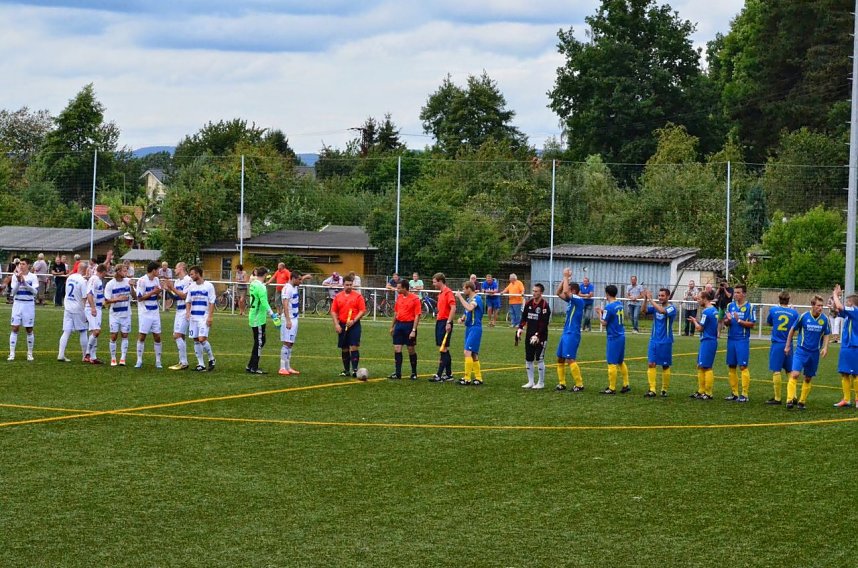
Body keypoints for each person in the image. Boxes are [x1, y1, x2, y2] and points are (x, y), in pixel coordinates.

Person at [784, 295, 830, 410]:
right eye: (818, 305)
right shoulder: (804, 316)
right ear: (813, 306)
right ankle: (789, 400)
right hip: (801, 351)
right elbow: (792, 330)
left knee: (808, 378)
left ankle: (802, 402)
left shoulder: (824, 319)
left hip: (814, 353)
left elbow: (827, 334)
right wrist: (788, 345)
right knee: (795, 374)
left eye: (822, 306)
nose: (820, 308)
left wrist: (825, 347)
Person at [765, 291, 798, 405]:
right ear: (789, 300)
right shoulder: (794, 313)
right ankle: (793, 396)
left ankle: (777, 398)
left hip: (777, 344)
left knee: (776, 370)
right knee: (789, 371)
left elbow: (769, 322)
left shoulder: (773, 310)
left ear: (779, 299)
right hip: (789, 344)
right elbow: (796, 327)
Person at [723, 284, 755, 402]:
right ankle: (734, 393)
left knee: (743, 366)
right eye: (735, 292)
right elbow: (726, 322)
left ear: (744, 294)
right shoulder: (730, 305)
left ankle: (744, 394)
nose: (735, 294)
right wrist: (728, 320)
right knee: (731, 366)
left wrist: (739, 320)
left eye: (738, 292)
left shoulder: (749, 307)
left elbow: (752, 324)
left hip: (742, 339)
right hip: (731, 338)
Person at [330, 274, 366, 378]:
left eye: (350, 285)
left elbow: (362, 311)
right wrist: (336, 324)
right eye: (347, 285)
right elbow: (333, 311)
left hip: (354, 325)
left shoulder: (358, 296)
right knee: (344, 348)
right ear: (343, 285)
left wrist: (354, 320)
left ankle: (355, 370)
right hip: (342, 324)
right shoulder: (338, 297)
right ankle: (346, 370)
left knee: (354, 347)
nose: (349, 286)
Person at [595, 284, 629, 395]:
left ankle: (612, 388)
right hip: (621, 335)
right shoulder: (619, 304)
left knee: (611, 362)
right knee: (620, 361)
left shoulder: (609, 307)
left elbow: (604, 323)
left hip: (613, 337)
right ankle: (626, 384)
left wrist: (599, 313)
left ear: (607, 294)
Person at [555, 268, 585, 392]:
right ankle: (562, 383)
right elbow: (558, 292)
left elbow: (565, 291)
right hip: (566, 332)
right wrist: (564, 279)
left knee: (570, 358)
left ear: (574, 291)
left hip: (572, 333)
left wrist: (566, 276)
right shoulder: (571, 301)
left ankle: (579, 384)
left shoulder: (578, 300)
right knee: (560, 358)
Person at [643, 288, 677, 397]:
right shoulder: (655, 307)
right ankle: (652, 389)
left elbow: (663, 311)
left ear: (667, 297)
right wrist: (645, 299)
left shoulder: (672, 308)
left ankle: (664, 389)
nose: (660, 298)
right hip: (653, 340)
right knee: (651, 364)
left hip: (665, 341)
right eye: (659, 295)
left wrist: (650, 300)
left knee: (665, 366)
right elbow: (643, 311)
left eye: (662, 296)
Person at [518, 283, 551, 389]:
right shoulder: (528, 304)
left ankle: (541, 383)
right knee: (528, 358)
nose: (534, 293)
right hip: (529, 335)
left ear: (541, 292)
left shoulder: (545, 306)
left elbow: (544, 323)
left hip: (541, 336)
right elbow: (523, 318)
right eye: (533, 291)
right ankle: (530, 382)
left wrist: (537, 335)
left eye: (536, 291)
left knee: (539, 358)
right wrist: (520, 328)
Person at [247, 267, 280, 374]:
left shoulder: (253, 283)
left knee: (259, 341)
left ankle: (250, 365)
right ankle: (254, 367)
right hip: (258, 318)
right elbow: (264, 302)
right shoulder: (261, 287)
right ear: (265, 275)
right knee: (260, 342)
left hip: (253, 316)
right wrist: (273, 315)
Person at [830, 284, 858, 408]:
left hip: (854, 346)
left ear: (852, 303)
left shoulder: (855, 311)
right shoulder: (849, 314)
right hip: (846, 346)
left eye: (847, 301)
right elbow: (837, 311)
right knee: (844, 372)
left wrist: (836, 295)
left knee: (856, 373)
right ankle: (846, 399)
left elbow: (840, 307)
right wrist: (833, 303)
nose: (846, 303)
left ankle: (857, 399)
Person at [688, 289, 718, 400]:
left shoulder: (706, 311)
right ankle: (701, 391)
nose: (698, 300)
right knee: (700, 366)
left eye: (699, 298)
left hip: (708, 341)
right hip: (708, 340)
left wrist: (694, 321)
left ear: (705, 299)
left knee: (707, 367)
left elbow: (700, 328)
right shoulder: (714, 310)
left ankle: (708, 393)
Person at [186, 266, 217, 372]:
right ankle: (201, 364)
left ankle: (211, 358)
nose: (191, 276)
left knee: (202, 339)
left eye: (192, 274)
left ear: (198, 274)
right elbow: (188, 301)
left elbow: (212, 302)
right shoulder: (191, 287)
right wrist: (187, 312)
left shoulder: (209, 286)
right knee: (195, 339)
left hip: (204, 317)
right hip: (193, 317)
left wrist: (210, 316)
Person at [57, 261, 89, 362]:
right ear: (85, 270)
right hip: (78, 308)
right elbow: (84, 298)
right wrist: (86, 313)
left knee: (66, 331)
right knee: (83, 330)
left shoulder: (70, 277)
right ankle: (85, 356)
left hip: (68, 307)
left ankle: (60, 354)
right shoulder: (83, 281)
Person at [389, 280, 421, 380]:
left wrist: (414, 330)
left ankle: (414, 372)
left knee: (410, 349)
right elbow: (396, 313)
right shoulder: (399, 298)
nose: (397, 290)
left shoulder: (415, 299)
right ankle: (398, 373)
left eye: (399, 288)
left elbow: (417, 315)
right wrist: (392, 326)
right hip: (399, 325)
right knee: (397, 348)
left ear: (404, 288)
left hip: (409, 325)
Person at [104, 263, 135, 366]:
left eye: (127, 270)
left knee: (125, 335)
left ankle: (122, 358)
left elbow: (134, 296)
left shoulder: (128, 282)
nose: (126, 273)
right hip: (114, 314)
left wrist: (132, 287)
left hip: (126, 314)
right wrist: (118, 299)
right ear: (118, 272)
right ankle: (113, 358)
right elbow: (106, 301)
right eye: (124, 271)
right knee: (113, 336)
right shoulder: (110, 284)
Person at [163, 262, 192, 370]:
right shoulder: (177, 281)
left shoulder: (188, 280)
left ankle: (184, 362)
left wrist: (172, 288)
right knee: (181, 336)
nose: (174, 270)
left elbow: (185, 296)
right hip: (178, 311)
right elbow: (175, 298)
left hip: (186, 311)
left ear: (181, 268)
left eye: (175, 267)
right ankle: (182, 361)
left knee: (177, 335)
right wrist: (168, 290)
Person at [8, 258, 38, 361]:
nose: (21, 266)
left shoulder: (33, 277)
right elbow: (13, 292)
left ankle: (29, 353)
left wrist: (24, 283)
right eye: (20, 264)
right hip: (17, 304)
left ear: (28, 265)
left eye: (23, 264)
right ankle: (12, 353)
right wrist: (18, 281)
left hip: (28, 305)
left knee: (29, 329)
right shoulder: (14, 276)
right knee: (15, 328)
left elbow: (35, 292)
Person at [135, 261, 163, 369]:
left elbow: (157, 295)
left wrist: (158, 293)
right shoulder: (142, 281)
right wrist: (153, 292)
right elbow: (139, 298)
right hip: (145, 312)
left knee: (157, 336)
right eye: (158, 270)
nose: (159, 272)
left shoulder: (156, 280)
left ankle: (158, 361)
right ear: (153, 270)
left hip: (155, 311)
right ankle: (139, 360)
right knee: (142, 336)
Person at [455, 280, 484, 385]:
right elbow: (467, 312)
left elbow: (470, 307)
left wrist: (459, 297)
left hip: (475, 328)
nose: (463, 291)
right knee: (474, 354)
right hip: (469, 328)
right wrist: (462, 318)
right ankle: (478, 378)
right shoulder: (469, 299)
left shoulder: (477, 298)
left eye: (464, 289)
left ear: (469, 289)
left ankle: (467, 378)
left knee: (467, 352)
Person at [430, 273, 457, 382]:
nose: (433, 284)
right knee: (444, 348)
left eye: (435, 282)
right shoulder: (441, 293)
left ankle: (439, 375)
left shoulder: (448, 292)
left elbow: (453, 308)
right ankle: (449, 374)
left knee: (443, 348)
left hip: (445, 322)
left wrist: (448, 322)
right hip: (440, 321)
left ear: (440, 281)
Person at [279, 271, 304, 376]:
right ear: (293, 278)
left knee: (291, 343)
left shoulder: (294, 287)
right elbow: (285, 304)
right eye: (299, 279)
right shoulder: (287, 288)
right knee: (287, 342)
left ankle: (288, 367)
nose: (300, 281)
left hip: (294, 318)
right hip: (288, 319)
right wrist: (288, 320)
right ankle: (282, 367)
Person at [84, 264, 108, 364]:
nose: (106, 274)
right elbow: (89, 294)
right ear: (102, 272)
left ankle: (93, 357)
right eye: (105, 272)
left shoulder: (98, 279)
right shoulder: (94, 279)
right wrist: (93, 308)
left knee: (93, 333)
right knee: (96, 331)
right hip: (92, 309)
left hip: (98, 308)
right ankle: (87, 353)